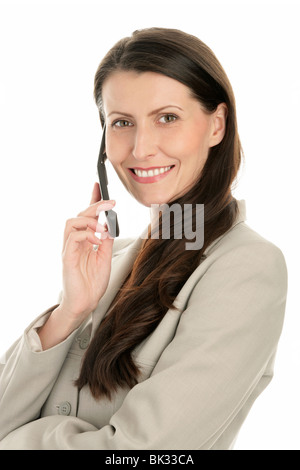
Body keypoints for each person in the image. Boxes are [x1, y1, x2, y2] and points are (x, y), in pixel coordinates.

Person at [0, 27, 287, 450]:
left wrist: (24, 439)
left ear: (217, 125)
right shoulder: (110, 262)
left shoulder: (247, 266)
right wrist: (70, 311)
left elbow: (143, 454)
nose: (141, 147)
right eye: (122, 123)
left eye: (167, 117)